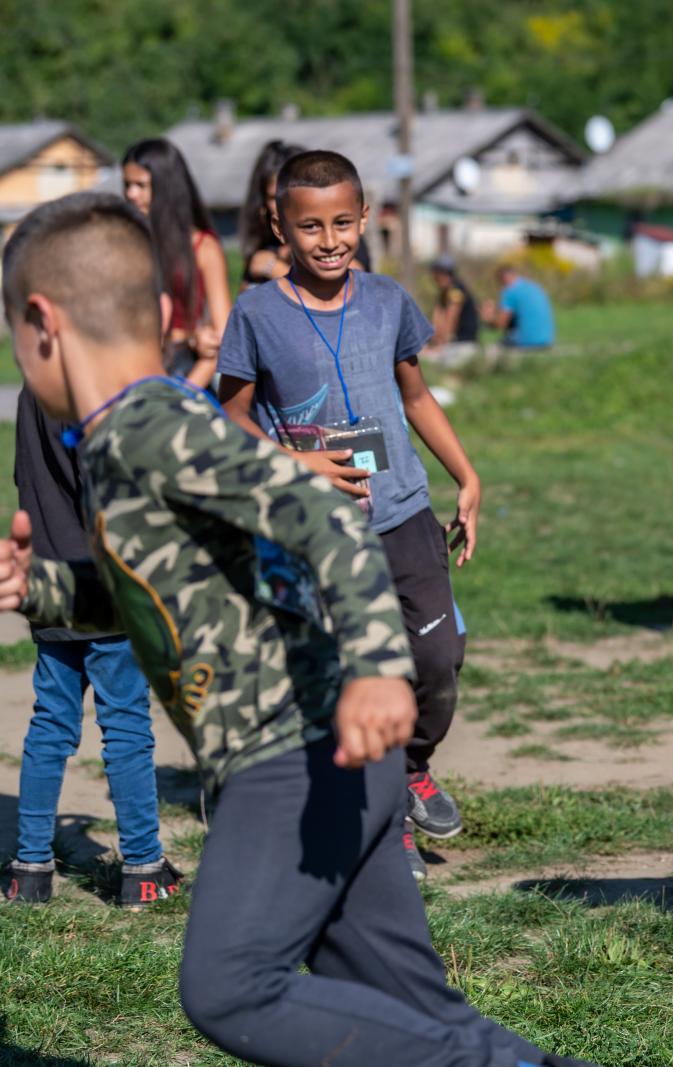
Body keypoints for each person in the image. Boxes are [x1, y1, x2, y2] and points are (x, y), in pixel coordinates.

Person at [0, 191, 590, 1067]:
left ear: (41, 323)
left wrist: (383, 671)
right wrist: (37, 588)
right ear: (161, 313)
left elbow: (317, 512)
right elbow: (159, 594)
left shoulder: (141, 431)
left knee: (228, 984)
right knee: (411, 1005)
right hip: (337, 756)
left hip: (293, 751)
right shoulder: (151, 427)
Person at [218, 151, 479, 881]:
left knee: (437, 662)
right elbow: (230, 416)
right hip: (317, 534)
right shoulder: (257, 314)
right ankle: (383, 818)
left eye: (342, 222)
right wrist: (293, 465)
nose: (329, 239)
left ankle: (414, 765)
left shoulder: (390, 299)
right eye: (310, 226)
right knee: (353, 677)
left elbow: (418, 397)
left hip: (404, 517)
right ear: (280, 225)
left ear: (365, 218)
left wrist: (466, 474)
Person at [0, 386, 179, 909]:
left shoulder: (35, 385)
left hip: (49, 577)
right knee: (125, 722)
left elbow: (24, 475)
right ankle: (143, 868)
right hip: (106, 585)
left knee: (50, 723)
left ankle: (28, 871)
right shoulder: (93, 384)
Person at [121, 138, 230, 388]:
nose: (130, 194)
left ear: (165, 188)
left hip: (185, 369)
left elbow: (221, 338)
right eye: (127, 184)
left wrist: (183, 396)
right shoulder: (129, 244)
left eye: (140, 185)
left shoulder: (203, 247)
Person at [238, 139, 305, 289]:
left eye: (293, 195)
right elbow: (241, 309)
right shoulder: (263, 250)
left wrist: (273, 268)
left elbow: (347, 289)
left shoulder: (334, 240)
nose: (285, 206)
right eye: (275, 198)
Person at [482, 264, 555, 350]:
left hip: (528, 341)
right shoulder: (534, 287)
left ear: (503, 279)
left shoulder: (510, 291)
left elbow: (501, 324)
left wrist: (488, 319)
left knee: (492, 349)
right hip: (547, 340)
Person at [424, 255, 480, 364]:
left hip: (462, 344)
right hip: (453, 344)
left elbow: (451, 318)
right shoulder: (445, 292)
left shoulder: (456, 290)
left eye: (434, 273)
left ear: (441, 273)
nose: (433, 277)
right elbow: (438, 318)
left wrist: (442, 345)